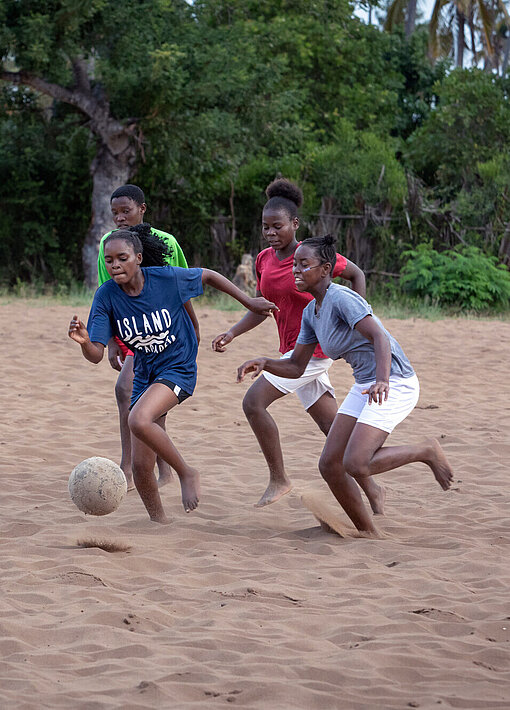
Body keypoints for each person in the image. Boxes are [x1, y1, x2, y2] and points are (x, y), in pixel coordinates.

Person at [237, 234, 453, 536]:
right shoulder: (312, 313)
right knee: (329, 464)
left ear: (326, 269)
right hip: (366, 383)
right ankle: (367, 531)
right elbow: (297, 365)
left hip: (395, 381)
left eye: (304, 265)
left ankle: (426, 450)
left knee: (357, 462)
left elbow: (379, 336)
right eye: (295, 265)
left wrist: (381, 380)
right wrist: (264, 362)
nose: (296, 271)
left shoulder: (341, 298)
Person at [69, 230, 277, 524]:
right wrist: (84, 342)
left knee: (138, 419)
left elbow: (208, 275)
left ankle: (186, 472)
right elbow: (96, 355)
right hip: (146, 373)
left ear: (138, 259)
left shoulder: (166, 278)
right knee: (142, 466)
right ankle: (160, 523)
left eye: (122, 258)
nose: (115, 265)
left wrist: (249, 302)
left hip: (178, 367)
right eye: (109, 260)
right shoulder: (106, 296)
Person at [212, 178, 383, 514]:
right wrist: (233, 332)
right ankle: (373, 489)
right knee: (331, 428)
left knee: (253, 402)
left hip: (313, 352)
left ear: (294, 224)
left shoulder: (311, 256)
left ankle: (279, 478)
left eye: (277, 226)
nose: (271, 232)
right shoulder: (263, 260)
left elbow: (357, 274)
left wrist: (355, 317)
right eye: (265, 227)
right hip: (293, 349)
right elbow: (264, 307)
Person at [98, 184, 199, 490]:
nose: (119, 217)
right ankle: (139, 467)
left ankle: (134, 468)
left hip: (163, 331)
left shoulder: (165, 242)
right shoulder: (109, 243)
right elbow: (109, 298)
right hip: (132, 331)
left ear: (142, 209)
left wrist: (194, 328)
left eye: (125, 210)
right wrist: (114, 341)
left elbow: (182, 287)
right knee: (133, 395)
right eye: (114, 212)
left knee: (132, 393)